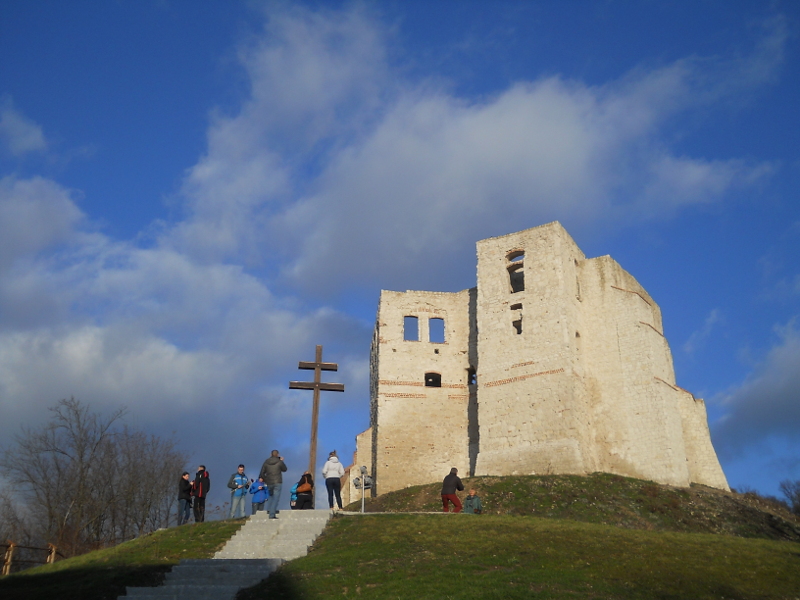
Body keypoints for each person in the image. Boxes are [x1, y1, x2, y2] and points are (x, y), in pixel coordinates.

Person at [260, 450, 287, 519]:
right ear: (278, 454)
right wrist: (282, 461)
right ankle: (272, 514)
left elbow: (262, 473)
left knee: (271, 496)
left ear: (270, 454)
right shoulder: (279, 462)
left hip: (269, 482)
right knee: (276, 498)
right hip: (277, 481)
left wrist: (266, 480)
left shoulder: (266, 462)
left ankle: (269, 509)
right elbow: (285, 469)